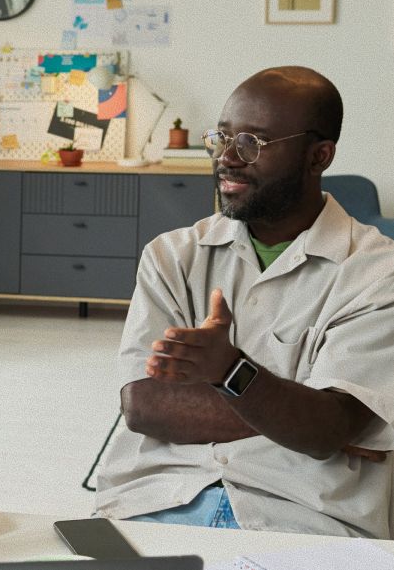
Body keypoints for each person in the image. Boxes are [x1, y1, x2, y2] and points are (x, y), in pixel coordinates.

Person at [95, 66, 394, 538]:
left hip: (300, 520)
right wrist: (296, 411)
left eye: (252, 142)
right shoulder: (172, 257)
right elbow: (143, 406)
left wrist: (231, 373)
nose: (227, 158)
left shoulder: (378, 273)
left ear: (318, 156)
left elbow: (325, 428)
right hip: (155, 502)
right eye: (222, 137)